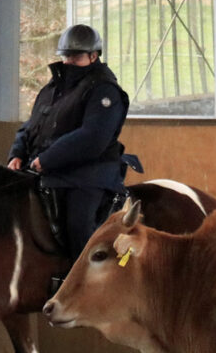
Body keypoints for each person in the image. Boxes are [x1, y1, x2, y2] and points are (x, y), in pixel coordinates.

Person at [8, 24, 131, 259]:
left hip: (88, 174)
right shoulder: (52, 89)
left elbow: (93, 137)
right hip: (48, 170)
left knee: (78, 226)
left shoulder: (105, 91)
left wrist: (47, 159)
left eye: (76, 57)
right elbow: (32, 126)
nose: (69, 62)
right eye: (66, 56)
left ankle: (90, 282)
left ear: (93, 56)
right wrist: (17, 154)